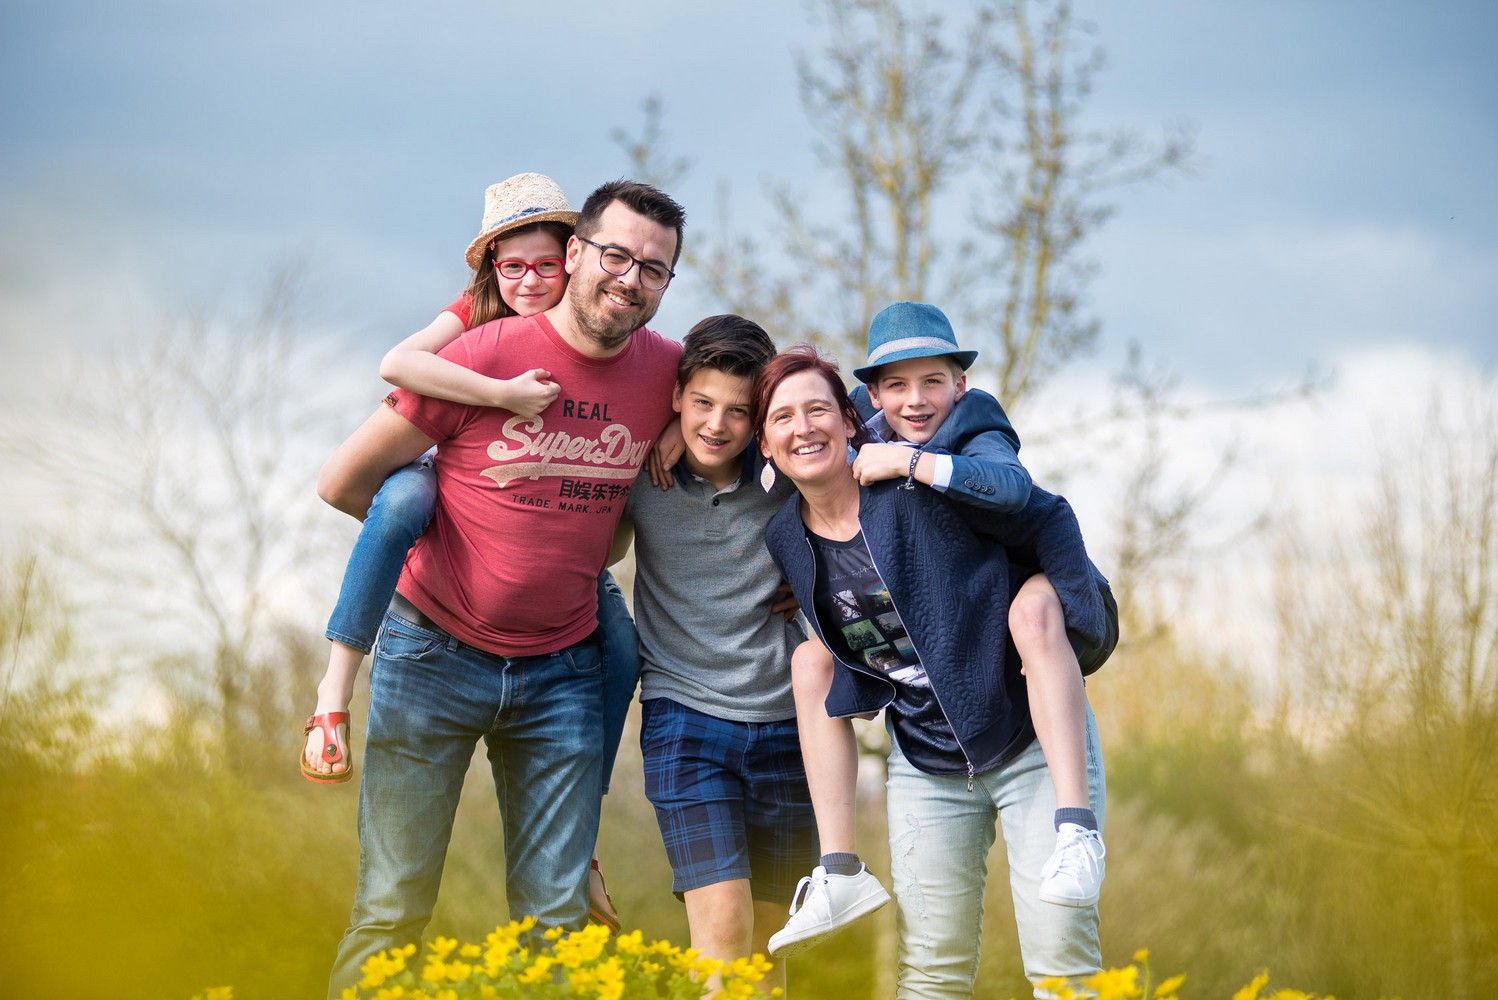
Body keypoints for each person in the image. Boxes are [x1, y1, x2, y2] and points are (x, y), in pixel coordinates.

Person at [316, 179, 687, 997]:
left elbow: (765, 421)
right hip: (432, 657)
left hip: (562, 672)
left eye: (653, 270)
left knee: (556, 925)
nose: (631, 278)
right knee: (392, 908)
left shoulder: (669, 373)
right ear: (579, 254)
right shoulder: (481, 355)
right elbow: (344, 482)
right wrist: (433, 542)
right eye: (617, 256)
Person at [755, 346, 1111, 998]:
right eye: (783, 417)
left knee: (1062, 962)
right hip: (925, 758)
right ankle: (839, 869)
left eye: (817, 410)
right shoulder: (785, 535)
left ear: (851, 421)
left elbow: (1038, 510)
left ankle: (1076, 828)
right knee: (932, 970)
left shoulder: (912, 487)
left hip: (1024, 735)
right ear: (765, 443)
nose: (803, 427)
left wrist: (1063, 609)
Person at [613, 315, 813, 996]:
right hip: (686, 720)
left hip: (792, 727)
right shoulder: (640, 470)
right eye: (702, 403)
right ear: (676, 396)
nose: (717, 424)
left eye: (738, 410)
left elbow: (860, 427)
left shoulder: (792, 472)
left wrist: (812, 587)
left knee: (767, 957)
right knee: (721, 936)